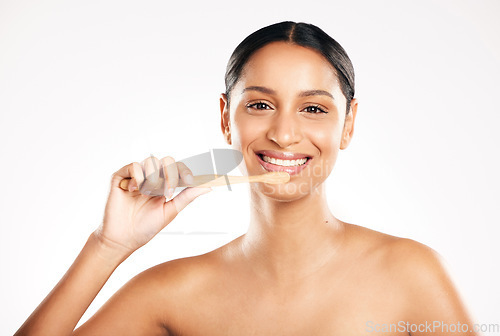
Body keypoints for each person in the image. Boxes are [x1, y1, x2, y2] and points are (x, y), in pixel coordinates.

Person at [15, 21, 477, 336]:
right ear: (225, 117)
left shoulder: (412, 274)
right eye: (260, 104)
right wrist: (107, 246)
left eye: (313, 108)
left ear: (349, 124)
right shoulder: (173, 293)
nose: (283, 133)